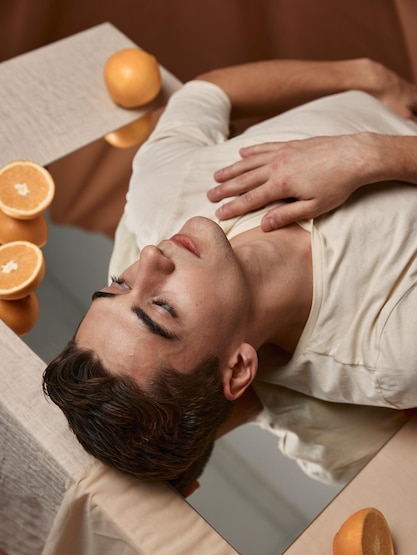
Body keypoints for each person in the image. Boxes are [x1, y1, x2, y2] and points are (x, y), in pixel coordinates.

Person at [43, 57, 417, 496]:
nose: (148, 258)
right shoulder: (390, 355)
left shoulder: (159, 197)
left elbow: (205, 93)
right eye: (162, 306)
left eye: (118, 285)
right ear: (238, 368)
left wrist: (367, 76)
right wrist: (371, 155)